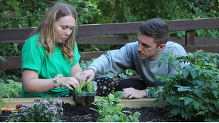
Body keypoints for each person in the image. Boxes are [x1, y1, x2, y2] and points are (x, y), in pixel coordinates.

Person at [78, 18, 187, 99]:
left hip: (171, 98)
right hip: (150, 87)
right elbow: (109, 58)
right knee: (124, 85)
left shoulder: (176, 53)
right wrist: (92, 69)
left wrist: (144, 93)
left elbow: (178, 89)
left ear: (161, 47)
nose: (139, 48)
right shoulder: (134, 48)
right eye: (139, 41)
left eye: (146, 45)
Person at [21, 3, 82, 97]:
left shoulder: (70, 44)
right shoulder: (34, 44)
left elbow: (75, 72)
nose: (68, 33)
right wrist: (59, 81)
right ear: (50, 24)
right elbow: (29, 85)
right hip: (40, 101)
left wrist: (80, 78)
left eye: (71, 28)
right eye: (64, 28)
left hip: (66, 97)